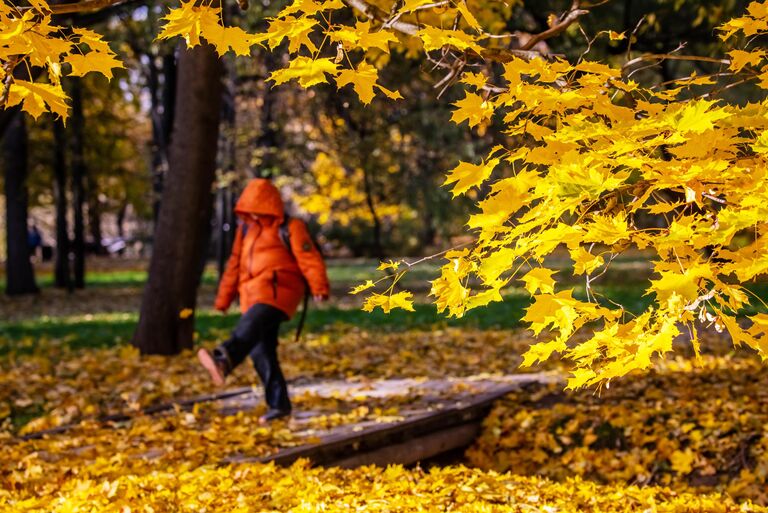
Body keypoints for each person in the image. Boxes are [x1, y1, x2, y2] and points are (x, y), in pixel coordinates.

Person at [198, 178, 329, 423]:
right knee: (262, 352)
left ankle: (224, 359)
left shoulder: (291, 226)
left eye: (258, 208)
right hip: (251, 295)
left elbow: (309, 258)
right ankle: (279, 406)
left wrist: (319, 286)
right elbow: (234, 265)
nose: (254, 214)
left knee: (250, 326)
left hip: (279, 293)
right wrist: (223, 299)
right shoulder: (246, 230)